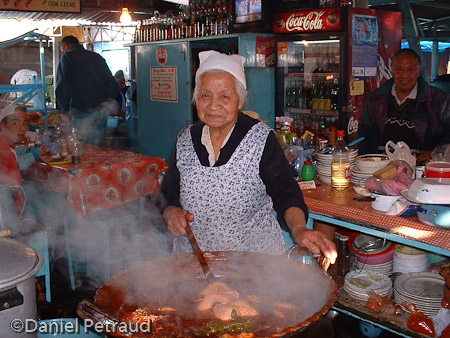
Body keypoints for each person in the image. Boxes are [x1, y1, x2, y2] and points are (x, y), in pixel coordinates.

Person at [159, 50, 337, 263]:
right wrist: (170, 212)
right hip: (195, 262)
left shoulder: (260, 139)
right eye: (205, 95)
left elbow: (284, 189)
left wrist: (299, 229)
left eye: (224, 96)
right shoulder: (185, 140)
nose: (213, 105)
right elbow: (167, 193)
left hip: (254, 266)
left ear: (241, 99)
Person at [357, 48, 450, 164]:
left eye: (410, 70)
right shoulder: (377, 98)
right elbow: (364, 132)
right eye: (399, 70)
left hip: (420, 168)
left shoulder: (437, 99)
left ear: (418, 71)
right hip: (381, 166)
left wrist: (434, 153)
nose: (404, 75)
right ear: (392, 70)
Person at [55, 35, 119, 145]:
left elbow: (63, 85)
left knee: (81, 148)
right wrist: (107, 104)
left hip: (81, 111)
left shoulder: (67, 57)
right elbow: (112, 83)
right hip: (100, 111)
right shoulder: (96, 57)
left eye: (62, 49)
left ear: (65, 46)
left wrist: (63, 109)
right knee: (96, 148)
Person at [0, 105, 48, 211]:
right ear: (2, 126)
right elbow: (18, 164)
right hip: (8, 209)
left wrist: (27, 150)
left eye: (25, 123)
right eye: (15, 123)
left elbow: (14, 153)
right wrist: (34, 154)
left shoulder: (5, 143)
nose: (22, 128)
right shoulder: (2, 147)